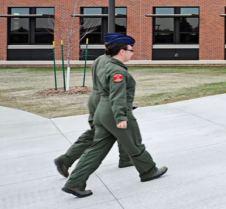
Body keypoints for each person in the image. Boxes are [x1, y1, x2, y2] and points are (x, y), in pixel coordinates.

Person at [62, 34, 167, 197]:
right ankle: (149, 171)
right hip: (113, 113)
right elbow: (117, 96)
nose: (133, 53)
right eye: (131, 50)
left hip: (101, 112)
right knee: (134, 142)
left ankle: (74, 182)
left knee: (96, 150)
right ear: (122, 51)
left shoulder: (106, 64)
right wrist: (121, 117)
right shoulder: (117, 70)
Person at [53, 34, 132, 177]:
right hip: (104, 99)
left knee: (114, 129)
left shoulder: (99, 59)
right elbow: (113, 87)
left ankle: (126, 158)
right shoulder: (111, 62)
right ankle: (66, 159)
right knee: (100, 133)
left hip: (97, 98)